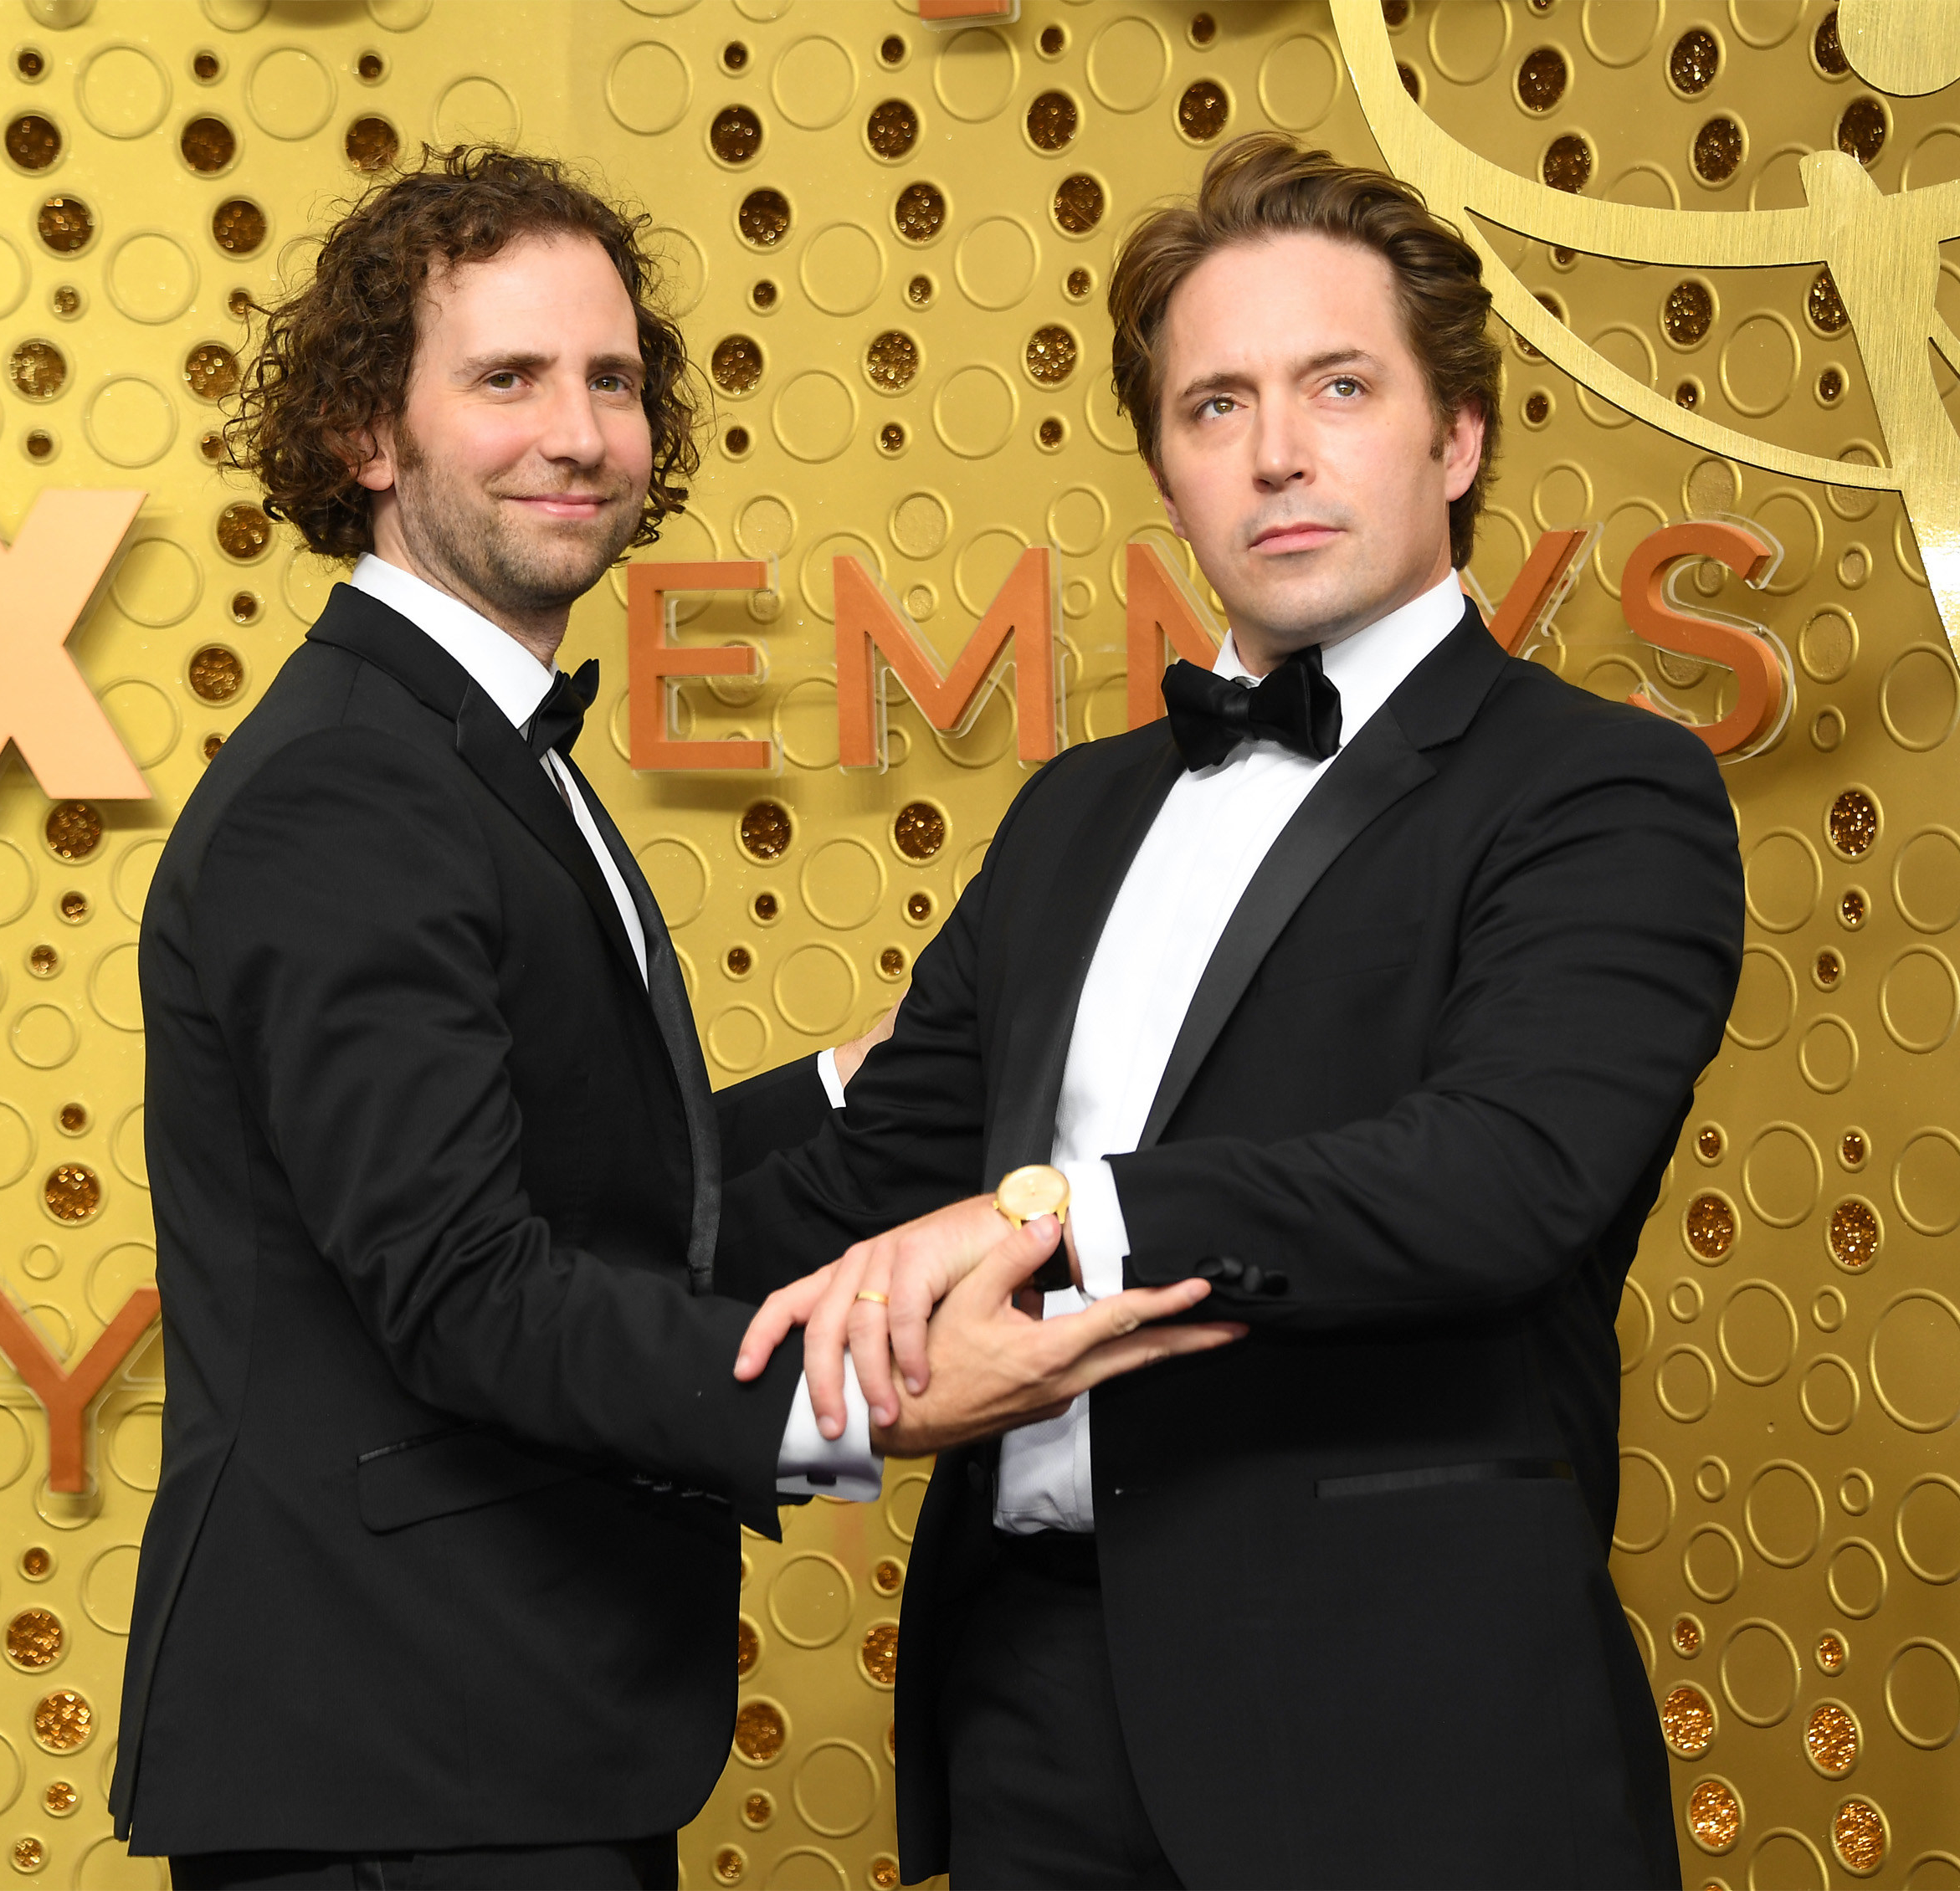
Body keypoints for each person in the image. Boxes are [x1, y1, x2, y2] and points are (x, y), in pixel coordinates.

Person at [114, 146, 1236, 1891]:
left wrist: (854, 1087)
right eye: (506, 379)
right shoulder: (345, 786)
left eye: (613, 380)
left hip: (492, 1734)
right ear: (364, 432)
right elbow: (462, 1280)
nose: (578, 431)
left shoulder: (462, 748)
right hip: (397, 1756)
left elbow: (576, 1178)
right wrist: (875, 1401)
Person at [726, 133, 1745, 1888]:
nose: (1276, 450)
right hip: (1035, 1709)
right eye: (1214, 406)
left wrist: (1070, 1206)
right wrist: (499, 1201)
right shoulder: (1072, 813)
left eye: (1338, 387)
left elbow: (1502, 1174)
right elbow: (864, 1174)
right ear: (1166, 468)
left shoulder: (1603, 788)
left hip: (1408, 1733)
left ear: (1459, 433)